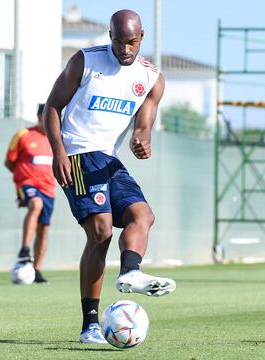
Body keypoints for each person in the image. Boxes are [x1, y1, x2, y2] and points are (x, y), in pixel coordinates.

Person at [43, 9, 176, 343]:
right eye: (118, 41)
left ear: (141, 37)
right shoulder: (84, 61)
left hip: (109, 157)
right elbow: (52, 108)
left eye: (131, 42)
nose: (125, 49)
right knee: (101, 232)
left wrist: (141, 140)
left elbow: (143, 127)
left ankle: (131, 272)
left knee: (142, 215)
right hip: (78, 153)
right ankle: (90, 324)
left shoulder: (151, 78)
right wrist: (58, 150)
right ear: (110, 36)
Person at [5, 103, 56, 284]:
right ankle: (25, 249)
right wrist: (21, 181)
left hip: (49, 188)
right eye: (45, 118)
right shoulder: (23, 135)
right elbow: (9, 162)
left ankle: (36, 270)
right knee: (36, 204)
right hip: (27, 184)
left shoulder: (57, 138)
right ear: (39, 117)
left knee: (44, 229)